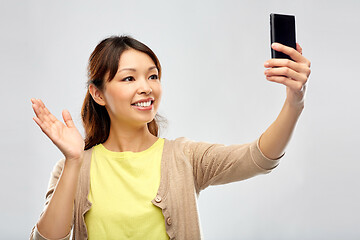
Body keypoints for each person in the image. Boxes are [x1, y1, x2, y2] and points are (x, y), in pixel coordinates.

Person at [30, 35, 311, 240]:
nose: (146, 88)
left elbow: (257, 158)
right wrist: (74, 160)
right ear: (98, 93)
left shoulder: (184, 157)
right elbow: (47, 238)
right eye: (129, 79)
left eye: (153, 77)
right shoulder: (74, 167)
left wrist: (294, 101)